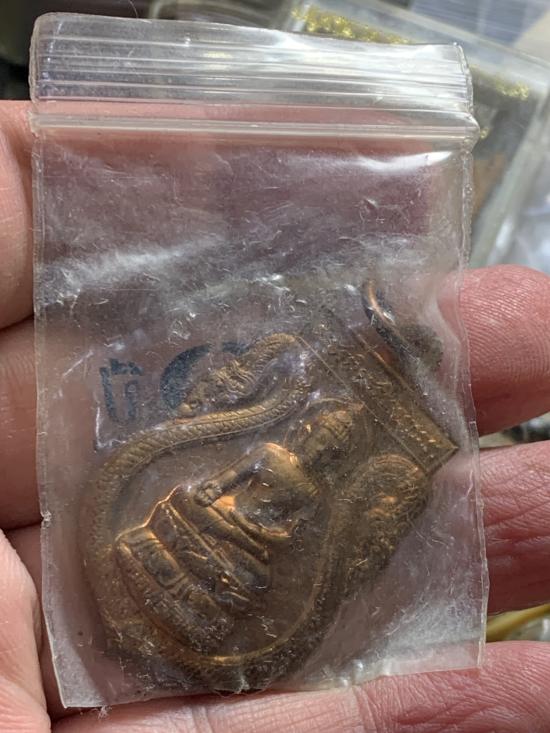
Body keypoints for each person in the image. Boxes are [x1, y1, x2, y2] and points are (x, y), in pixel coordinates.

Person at [1, 100, 550, 731]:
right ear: (310, 424)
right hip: (207, 527)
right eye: (322, 430)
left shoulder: (312, 488)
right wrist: (211, 505)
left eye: (333, 443)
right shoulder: (268, 448)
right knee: (189, 519)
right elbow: (213, 489)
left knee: (246, 569)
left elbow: (285, 534)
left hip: (240, 550)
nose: (320, 442)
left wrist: (264, 534)